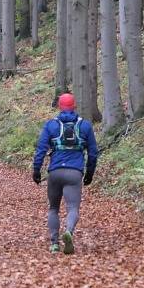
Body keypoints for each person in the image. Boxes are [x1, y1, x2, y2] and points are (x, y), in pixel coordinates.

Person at [32, 93, 98, 254]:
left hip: (55, 172)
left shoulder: (51, 125)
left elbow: (41, 149)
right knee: (73, 207)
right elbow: (93, 153)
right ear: (74, 106)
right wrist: (89, 173)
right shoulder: (85, 126)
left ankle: (54, 244)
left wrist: (36, 169)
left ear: (60, 107)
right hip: (74, 172)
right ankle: (68, 231)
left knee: (53, 208)